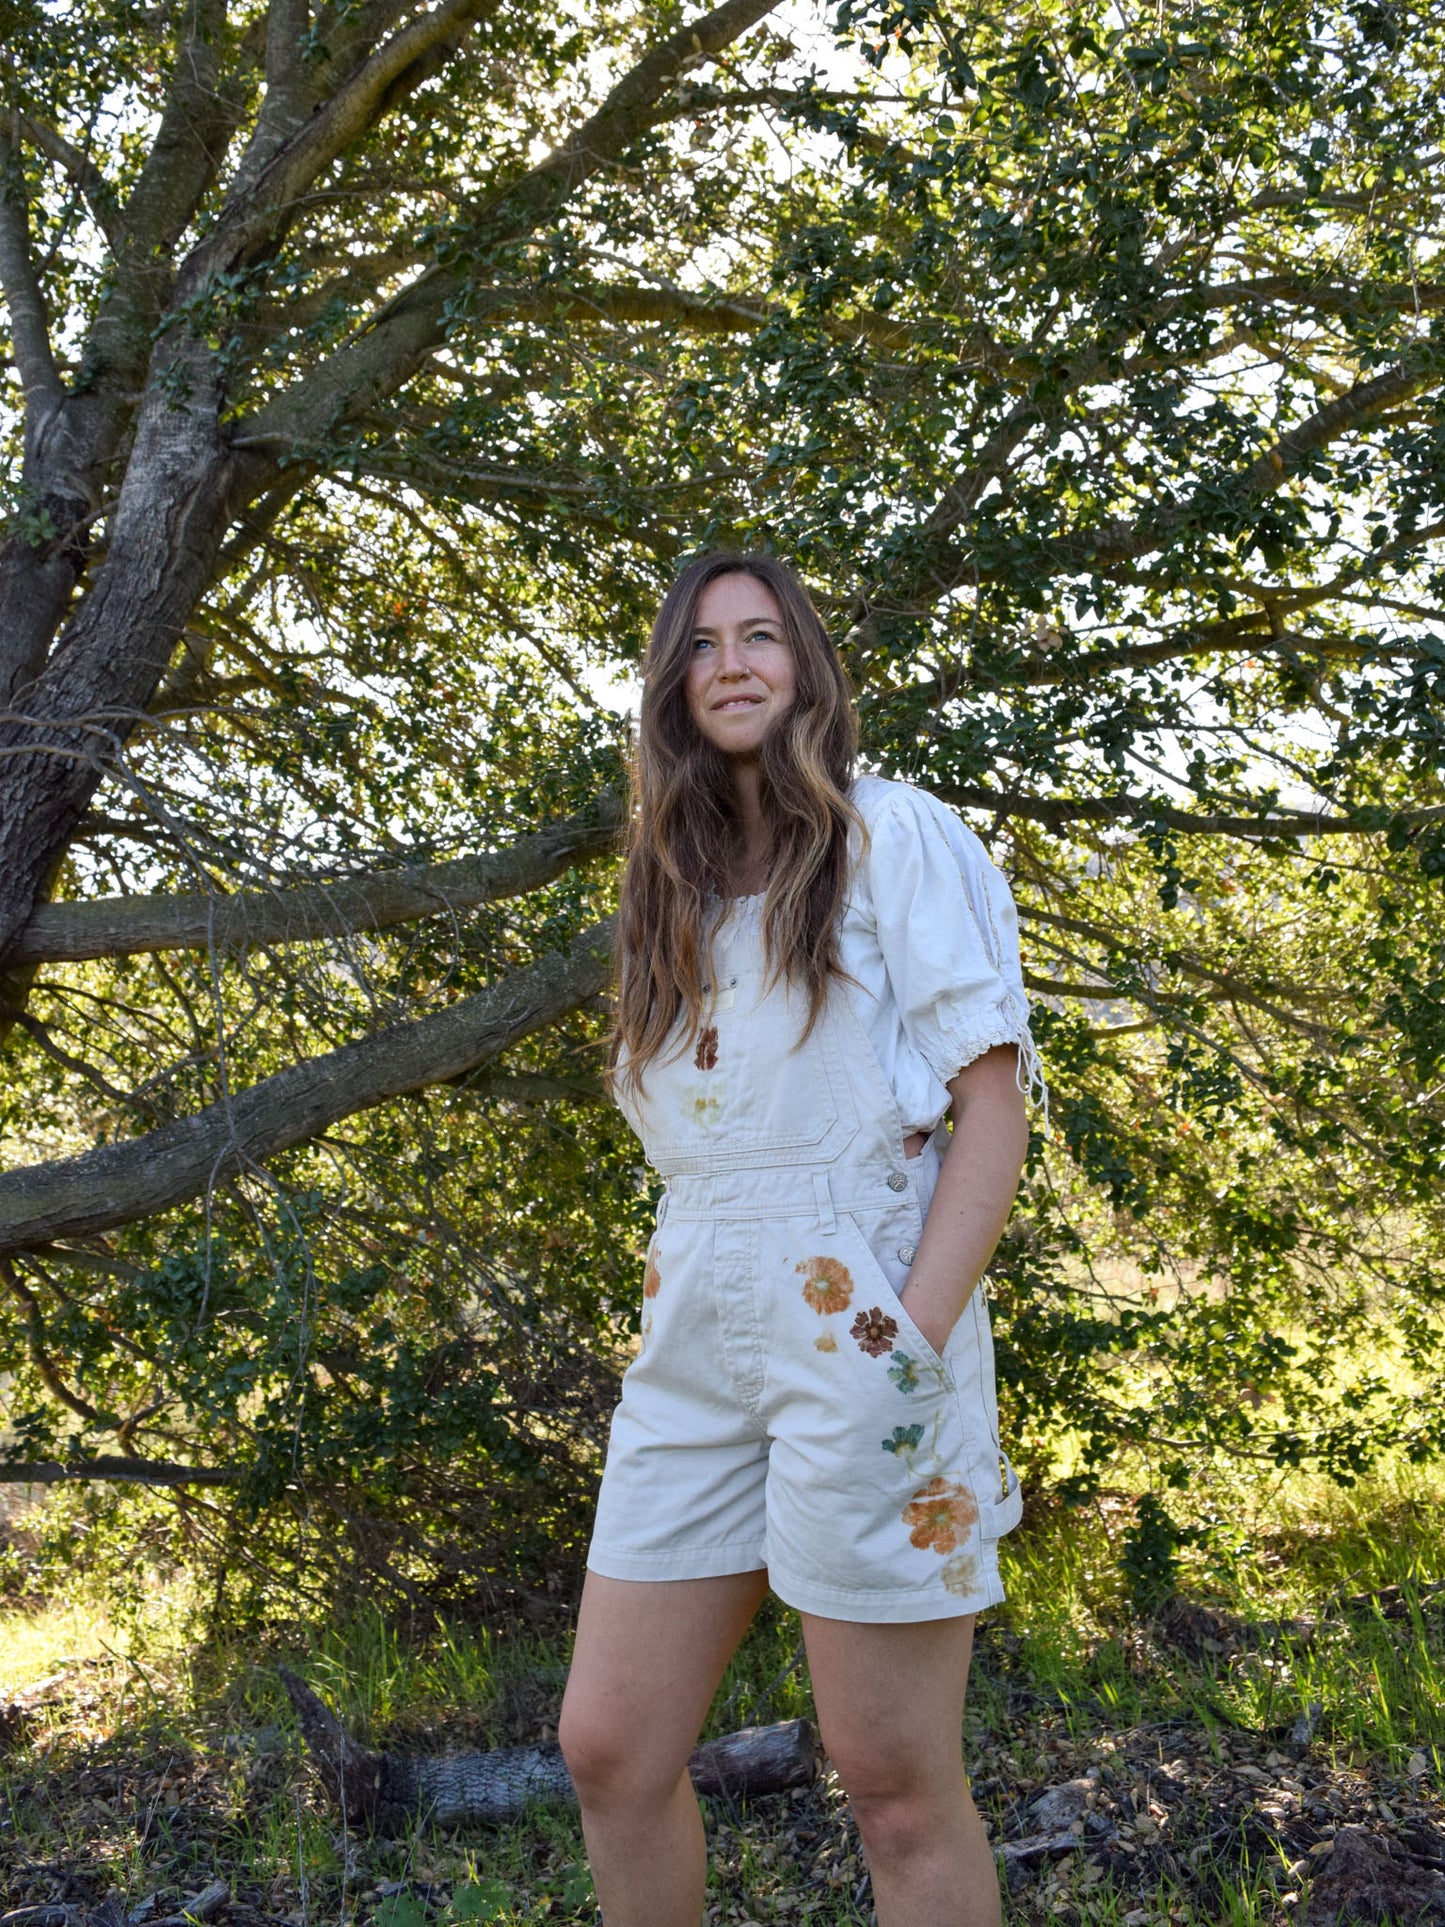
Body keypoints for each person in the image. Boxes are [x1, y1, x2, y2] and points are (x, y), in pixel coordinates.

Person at [558, 552, 1047, 1927]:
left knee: (889, 1781)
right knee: (608, 1748)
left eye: (761, 635)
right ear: (672, 685)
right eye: (702, 643)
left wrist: (910, 1339)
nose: (731, 662)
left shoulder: (895, 835)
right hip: (696, 1326)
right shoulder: (668, 886)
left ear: (807, 667)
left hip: (867, 1322)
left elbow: (990, 1111)